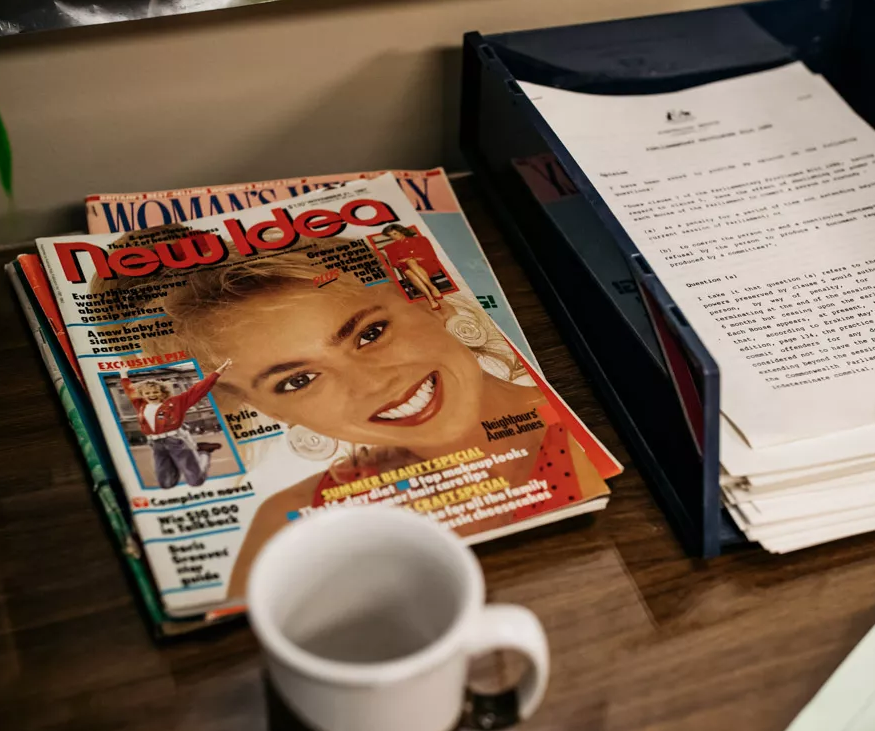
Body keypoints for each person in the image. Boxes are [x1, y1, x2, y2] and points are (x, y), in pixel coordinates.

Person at [165, 245, 607, 597]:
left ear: (427, 301)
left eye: (369, 334)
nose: (371, 384)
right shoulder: (289, 522)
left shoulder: (596, 421)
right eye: (298, 380)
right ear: (270, 411)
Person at [121, 360, 231, 489]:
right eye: (148, 393)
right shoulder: (140, 405)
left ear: (163, 393)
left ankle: (204, 453)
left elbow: (198, 389)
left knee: (195, 481)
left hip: (176, 441)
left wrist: (218, 372)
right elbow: (129, 391)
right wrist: (123, 375)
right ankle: (181, 461)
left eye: (155, 392)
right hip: (156, 445)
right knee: (166, 484)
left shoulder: (176, 402)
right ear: (143, 395)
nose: (152, 395)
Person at [379, 223, 451, 309]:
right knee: (409, 271)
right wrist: (403, 261)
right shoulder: (390, 247)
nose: (393, 237)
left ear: (401, 231)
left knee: (410, 262)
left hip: (427, 265)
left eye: (395, 233)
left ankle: (431, 293)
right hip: (408, 269)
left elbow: (430, 255)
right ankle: (431, 294)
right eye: (390, 235)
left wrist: (412, 258)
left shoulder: (420, 240)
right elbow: (394, 263)